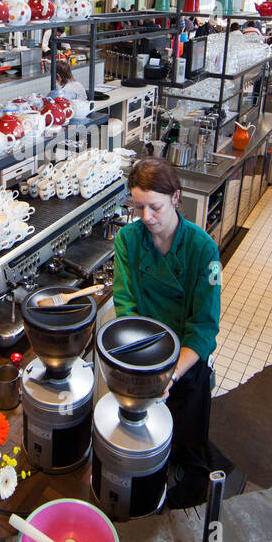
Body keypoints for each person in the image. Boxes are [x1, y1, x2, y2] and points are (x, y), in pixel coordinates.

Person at [111, 157, 224, 508]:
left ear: (176, 197)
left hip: (184, 364)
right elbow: (126, 306)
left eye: (155, 207)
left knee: (190, 455)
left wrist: (171, 373)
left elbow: (204, 328)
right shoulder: (128, 240)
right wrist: (140, 365)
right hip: (142, 356)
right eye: (138, 207)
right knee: (138, 442)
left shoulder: (203, 249)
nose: (146, 218)